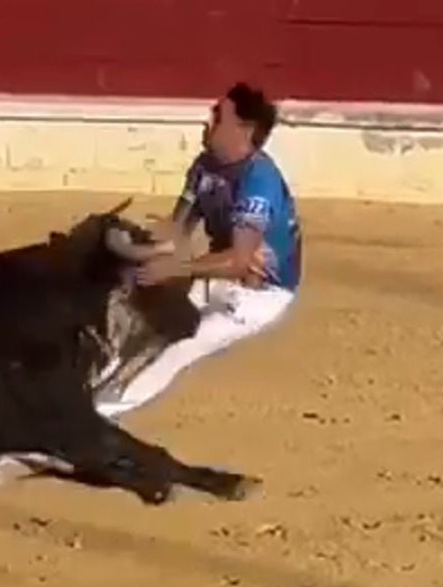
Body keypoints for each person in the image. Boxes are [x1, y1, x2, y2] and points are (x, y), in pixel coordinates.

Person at [95, 81, 304, 420]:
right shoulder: (204, 166)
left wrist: (176, 269)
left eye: (218, 116)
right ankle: (81, 398)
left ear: (244, 130)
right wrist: (130, 241)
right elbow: (177, 232)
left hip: (258, 295)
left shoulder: (259, 182)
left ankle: (98, 418)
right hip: (212, 273)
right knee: (144, 327)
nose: (206, 121)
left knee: (177, 348)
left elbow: (240, 260)